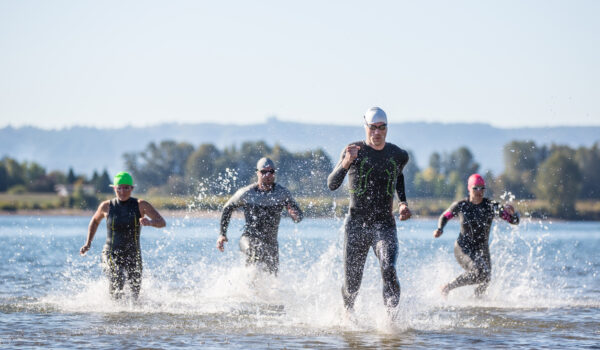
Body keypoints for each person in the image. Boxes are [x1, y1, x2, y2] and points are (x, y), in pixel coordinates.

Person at [327, 107, 412, 313]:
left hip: (384, 224)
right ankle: (348, 315)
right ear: (365, 127)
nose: (377, 133)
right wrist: (347, 162)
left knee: (388, 267)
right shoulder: (353, 150)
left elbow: (397, 175)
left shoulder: (398, 154)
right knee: (352, 284)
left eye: (381, 128)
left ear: (387, 129)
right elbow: (332, 184)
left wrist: (402, 202)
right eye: (373, 128)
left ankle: (390, 322)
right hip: (356, 224)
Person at [80, 171, 166, 300]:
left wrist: (150, 222)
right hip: (111, 253)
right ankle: (114, 312)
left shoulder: (141, 205)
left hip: (133, 253)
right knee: (117, 277)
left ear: (132, 188)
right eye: (119, 188)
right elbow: (95, 221)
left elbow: (162, 222)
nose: (122, 191)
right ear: (114, 188)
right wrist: (88, 243)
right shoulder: (106, 206)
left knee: (135, 292)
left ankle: (130, 316)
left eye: (126, 187)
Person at [434, 173, 520, 297]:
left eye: (482, 188)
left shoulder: (491, 206)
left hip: (482, 249)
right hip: (463, 248)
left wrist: (513, 212)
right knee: (479, 272)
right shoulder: (461, 205)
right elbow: (445, 216)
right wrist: (440, 229)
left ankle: (476, 303)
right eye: (475, 188)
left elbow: (514, 221)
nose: (479, 191)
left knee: (486, 278)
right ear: (469, 188)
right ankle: (447, 287)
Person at [216, 157, 303, 275]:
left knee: (272, 278)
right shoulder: (247, 193)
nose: (267, 175)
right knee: (255, 252)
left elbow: (299, 216)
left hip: (271, 244)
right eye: (263, 172)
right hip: (248, 239)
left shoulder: (282, 193)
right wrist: (222, 234)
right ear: (257, 173)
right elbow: (227, 208)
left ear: (274, 173)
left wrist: (295, 215)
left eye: (271, 172)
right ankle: (246, 288)